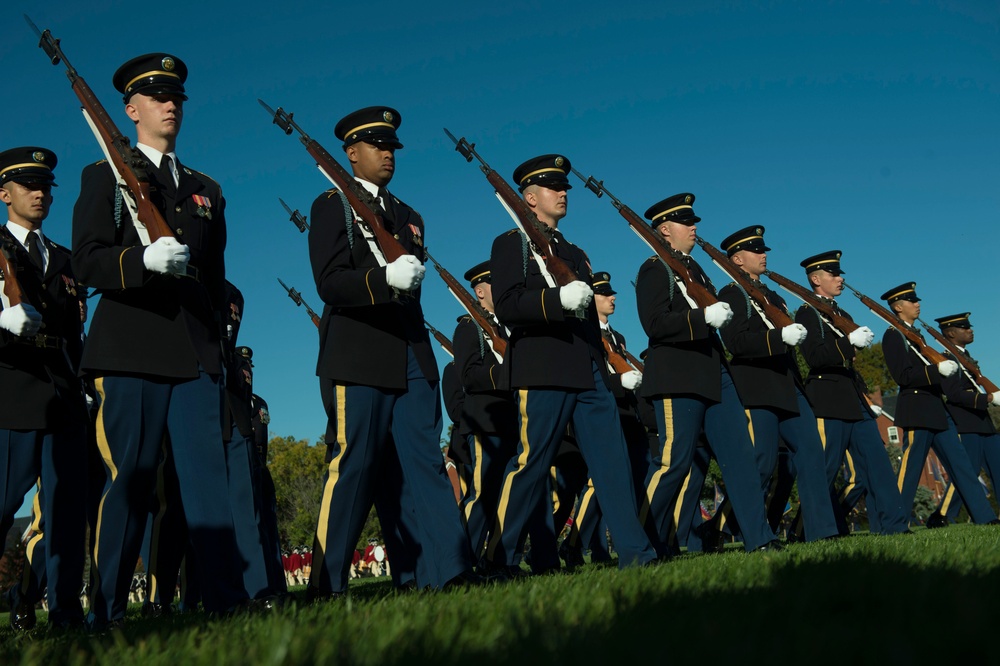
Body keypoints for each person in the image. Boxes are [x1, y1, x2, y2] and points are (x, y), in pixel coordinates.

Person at [72, 53, 247, 627]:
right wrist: (140, 260)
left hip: (196, 351)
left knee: (206, 484)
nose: (171, 104)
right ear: (131, 109)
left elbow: (216, 278)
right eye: (156, 96)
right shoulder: (104, 176)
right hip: (132, 346)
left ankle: (226, 600)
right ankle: (107, 610)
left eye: (176, 96)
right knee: (133, 481)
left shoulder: (205, 190)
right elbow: (89, 262)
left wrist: (221, 348)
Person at [306, 106, 473, 597]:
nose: (387, 154)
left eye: (392, 147)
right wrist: (382, 279)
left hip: (411, 350)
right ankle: (324, 582)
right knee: (355, 463)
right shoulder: (331, 205)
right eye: (376, 146)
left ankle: (450, 569)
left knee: (424, 460)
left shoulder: (409, 216)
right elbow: (329, 282)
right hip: (359, 350)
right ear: (351, 153)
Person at [484, 154, 657, 574]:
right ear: (528, 196)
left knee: (612, 464)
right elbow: (506, 305)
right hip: (543, 365)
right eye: (552, 187)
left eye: (564, 187)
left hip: (587, 367)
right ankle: (497, 558)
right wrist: (554, 301)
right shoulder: (511, 243)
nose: (563, 192)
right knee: (531, 466)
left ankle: (637, 553)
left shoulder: (574, 252)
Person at [635, 194, 780, 553]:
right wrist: (702, 318)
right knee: (674, 462)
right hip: (677, 373)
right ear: (665, 229)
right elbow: (653, 323)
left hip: (715, 372)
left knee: (741, 458)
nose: (694, 227)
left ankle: (759, 539)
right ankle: (639, 543)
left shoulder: (696, 271)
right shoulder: (654, 268)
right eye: (687, 222)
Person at [0, 146, 88, 630]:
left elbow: (75, 329)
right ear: (3, 192)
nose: (39, 193)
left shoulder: (64, 259)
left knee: (66, 510)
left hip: (63, 390)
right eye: (28, 185)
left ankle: (66, 611)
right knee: (2, 503)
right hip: (12, 386)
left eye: (45, 186)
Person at [714, 227, 838, 542]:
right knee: (762, 465)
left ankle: (821, 530)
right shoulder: (731, 293)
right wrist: (777, 337)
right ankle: (719, 527)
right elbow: (737, 341)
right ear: (738, 260)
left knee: (812, 454)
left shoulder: (774, 296)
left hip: (789, 384)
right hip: (757, 386)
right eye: (756, 251)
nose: (764, 254)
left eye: (763, 249)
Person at [792, 251, 909, 536]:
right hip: (827, 397)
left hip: (854, 396)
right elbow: (816, 356)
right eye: (834, 274)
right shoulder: (807, 312)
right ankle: (804, 529)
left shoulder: (841, 314)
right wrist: (847, 344)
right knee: (825, 469)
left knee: (878, 464)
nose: (840, 278)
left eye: (839, 273)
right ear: (816, 279)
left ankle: (894, 526)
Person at [879, 283, 998, 525]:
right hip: (915, 408)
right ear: (898, 307)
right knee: (910, 471)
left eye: (916, 300)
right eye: (912, 301)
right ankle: (895, 521)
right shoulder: (894, 335)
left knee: (962, 467)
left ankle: (985, 518)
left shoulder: (918, 335)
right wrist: (936, 371)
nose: (917, 304)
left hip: (936, 409)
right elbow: (903, 376)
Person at [923, 313, 1000, 527]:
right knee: (966, 473)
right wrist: (989, 398)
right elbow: (954, 394)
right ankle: (942, 515)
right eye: (964, 328)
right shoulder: (945, 359)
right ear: (950, 333)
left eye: (969, 327)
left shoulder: (966, 358)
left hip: (984, 422)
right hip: (965, 424)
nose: (970, 330)